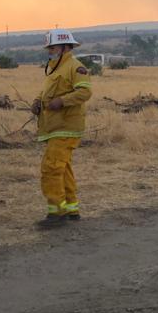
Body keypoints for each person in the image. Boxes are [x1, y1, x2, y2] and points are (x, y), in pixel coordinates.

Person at [31, 29, 92, 228]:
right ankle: (71, 209)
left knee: (51, 168)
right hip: (54, 126)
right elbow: (47, 92)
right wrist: (37, 101)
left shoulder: (75, 67)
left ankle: (56, 213)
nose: (50, 50)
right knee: (63, 168)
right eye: (49, 47)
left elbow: (85, 92)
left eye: (53, 47)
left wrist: (62, 101)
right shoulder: (54, 68)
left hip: (66, 127)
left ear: (66, 47)